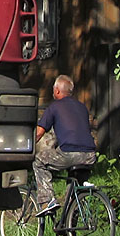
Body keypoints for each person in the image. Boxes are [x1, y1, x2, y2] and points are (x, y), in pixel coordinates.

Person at [32, 75, 97, 216]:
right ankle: (68, 234)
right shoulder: (82, 107)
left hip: (70, 153)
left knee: (39, 161)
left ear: (57, 91)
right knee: (73, 196)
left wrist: (26, 146)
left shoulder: (54, 107)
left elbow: (39, 133)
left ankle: (47, 200)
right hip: (90, 155)